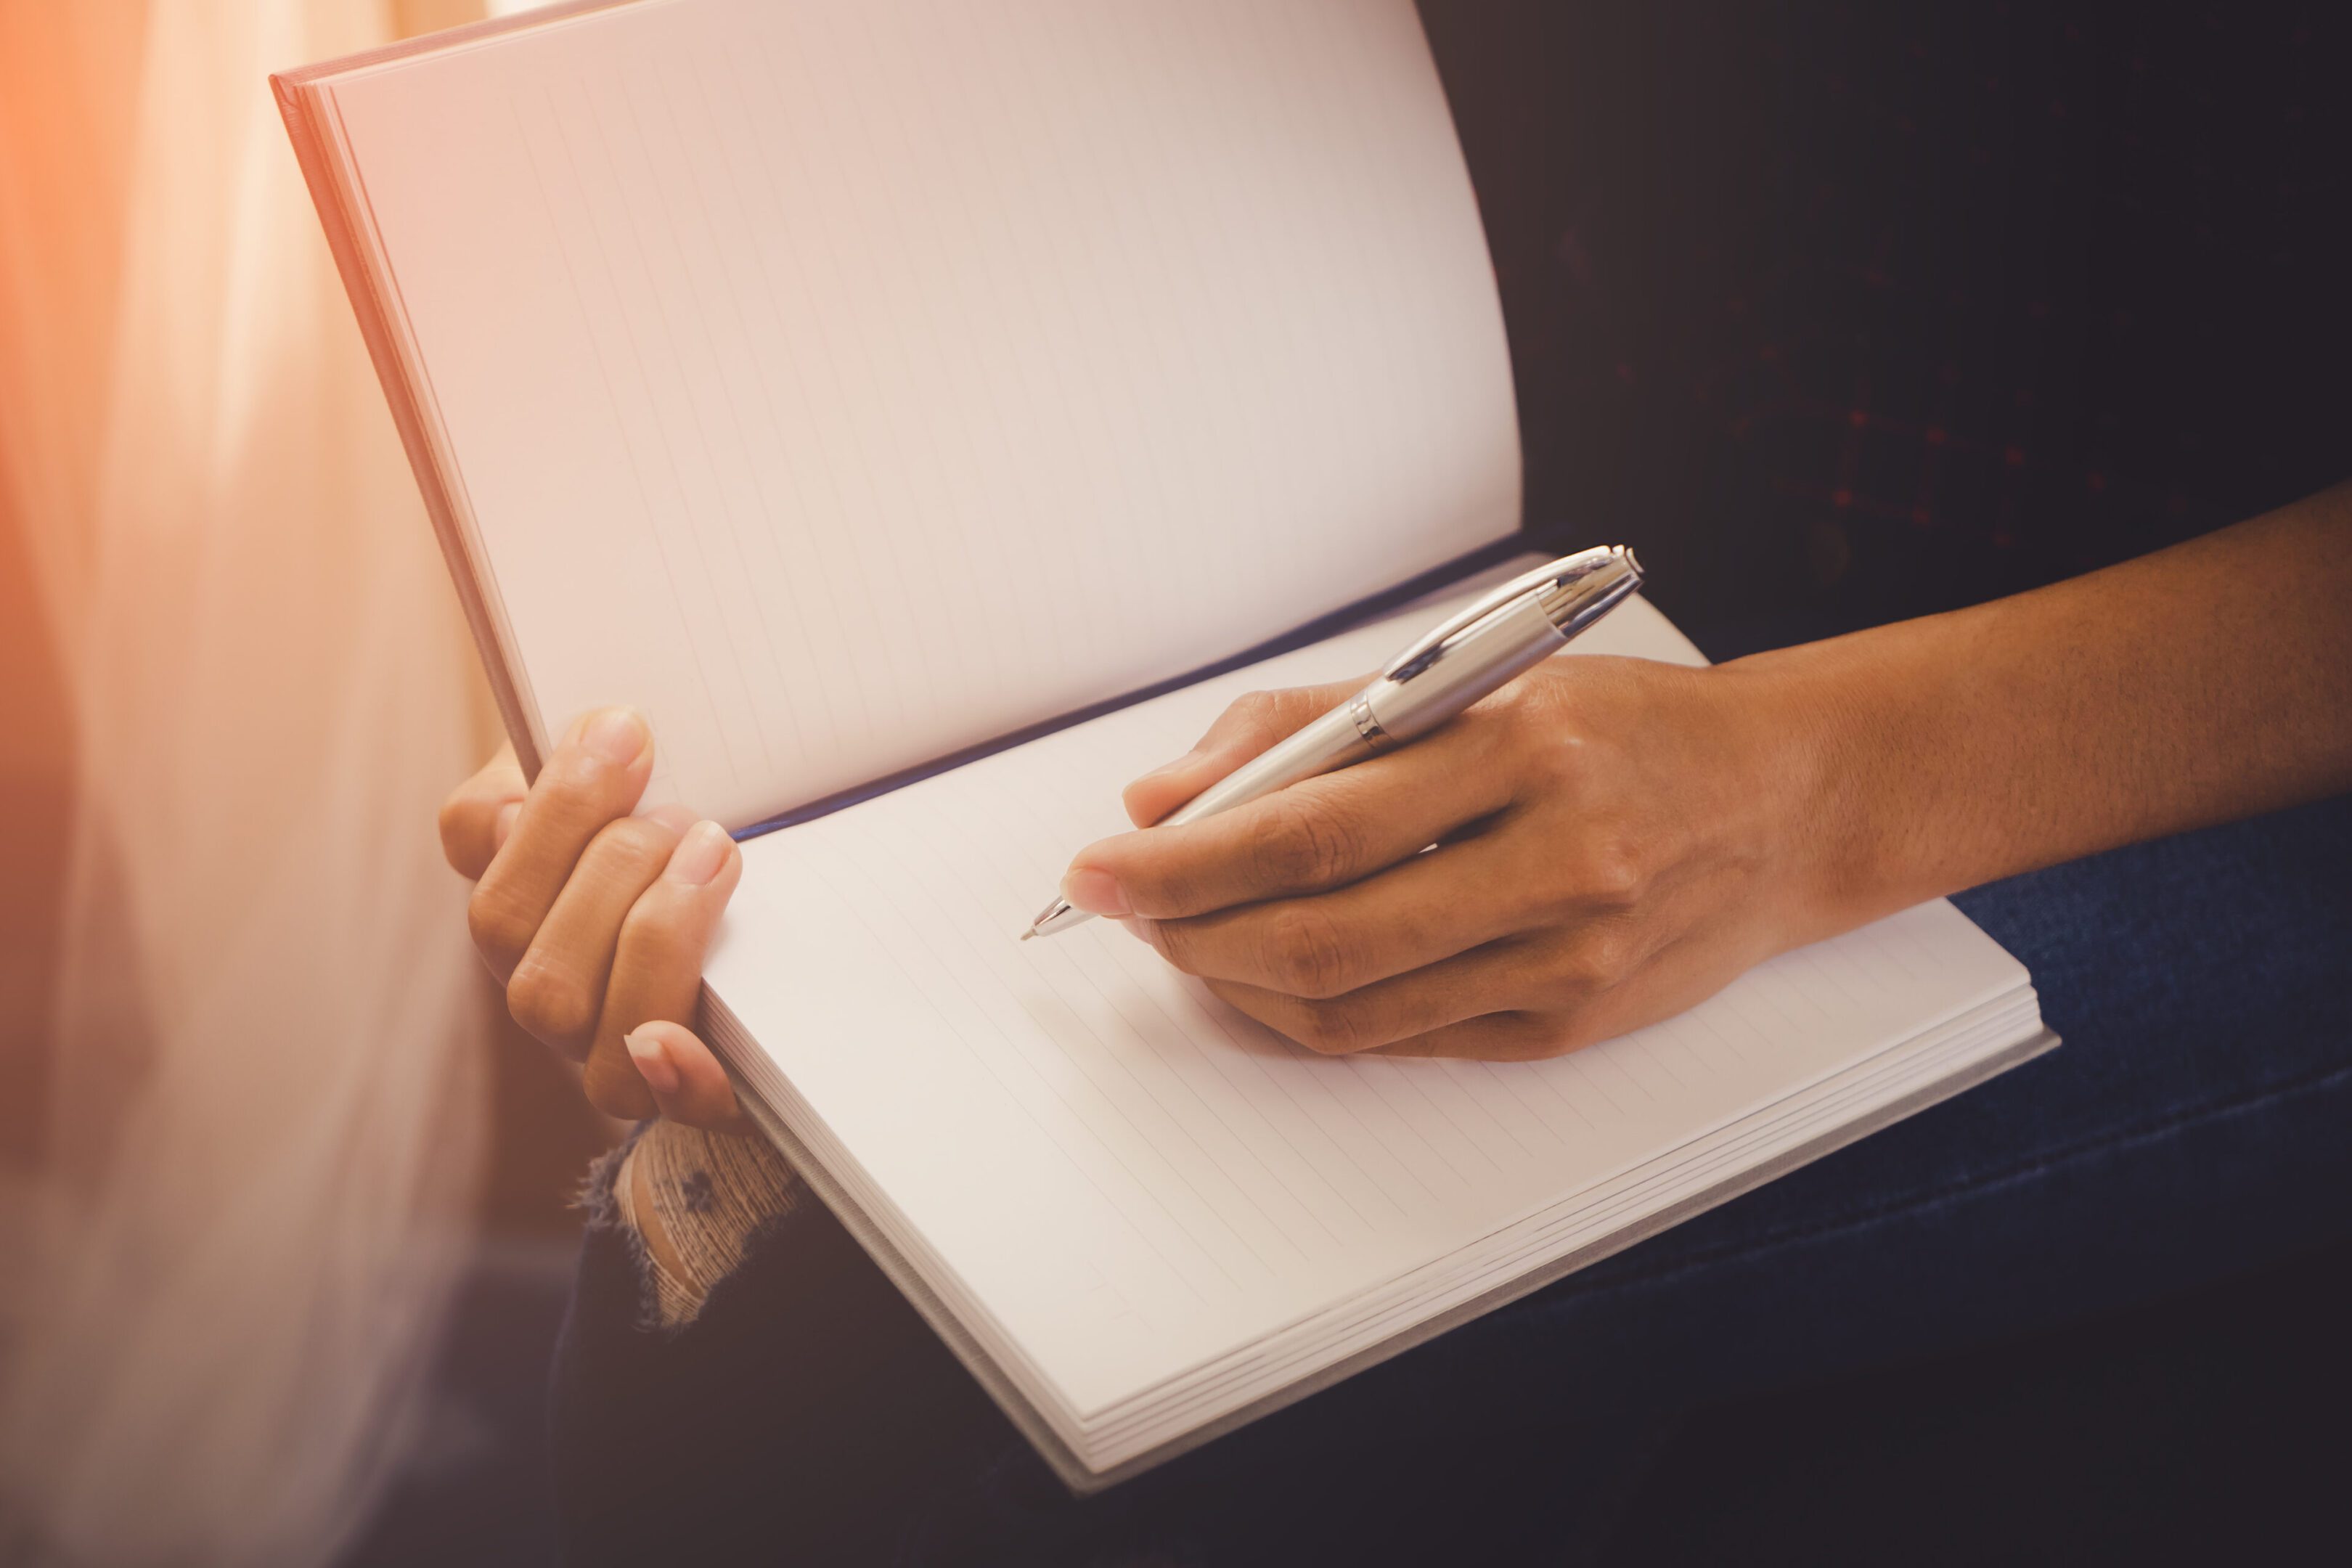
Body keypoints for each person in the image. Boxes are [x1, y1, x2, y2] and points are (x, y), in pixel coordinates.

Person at [440, 486, 2351, 1563]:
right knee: (736, 1339)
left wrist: (1831, 793)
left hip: (2171, 738)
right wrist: (700, 683)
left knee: (869, 1421)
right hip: (1502, 536)